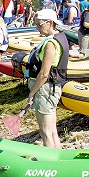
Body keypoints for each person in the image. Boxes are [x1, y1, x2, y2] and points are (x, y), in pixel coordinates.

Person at [23, 8, 67, 149]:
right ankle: (58, 159)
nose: (38, 28)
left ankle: (51, 166)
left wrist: (32, 93)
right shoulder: (60, 38)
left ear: (50, 23)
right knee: (52, 130)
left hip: (45, 89)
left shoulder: (50, 44)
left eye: (40, 25)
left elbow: (44, 73)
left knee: (46, 132)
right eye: (36, 25)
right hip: (52, 88)